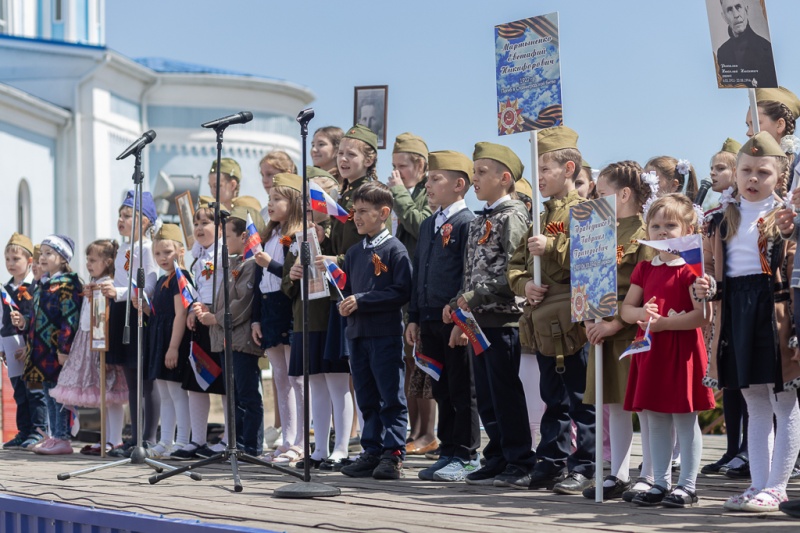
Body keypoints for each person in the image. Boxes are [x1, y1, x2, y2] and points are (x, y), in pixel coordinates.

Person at [698, 132, 800, 512]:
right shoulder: (720, 219)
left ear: (779, 177)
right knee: (754, 402)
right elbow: (713, 271)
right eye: (746, 171)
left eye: (763, 172)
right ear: (736, 173)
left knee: (783, 400)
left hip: (774, 311)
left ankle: (778, 486)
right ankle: (759, 483)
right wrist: (707, 285)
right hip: (736, 310)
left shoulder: (786, 217)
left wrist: (791, 231)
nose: (753, 178)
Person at [508, 126, 595, 494]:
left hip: (576, 317)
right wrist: (524, 285)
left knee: (581, 397)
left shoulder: (587, 211)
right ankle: (551, 462)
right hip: (543, 319)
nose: (539, 177)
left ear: (569, 168)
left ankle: (586, 464)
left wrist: (553, 246)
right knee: (551, 396)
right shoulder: (538, 217)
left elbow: (593, 260)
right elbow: (516, 264)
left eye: (545, 169)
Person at [621, 194, 714, 508]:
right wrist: (642, 314)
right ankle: (660, 482)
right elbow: (626, 310)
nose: (662, 232)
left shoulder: (691, 271)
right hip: (651, 351)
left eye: (670, 225)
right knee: (656, 417)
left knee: (685, 419)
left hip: (681, 350)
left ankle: (687, 485)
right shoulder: (645, 268)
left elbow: (702, 317)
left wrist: (664, 325)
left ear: (688, 229)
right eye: (656, 226)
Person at [450, 141, 534, 487]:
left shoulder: (512, 216)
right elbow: (470, 272)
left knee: (504, 393)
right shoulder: (481, 219)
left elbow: (518, 272)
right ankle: (497, 455)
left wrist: (473, 296)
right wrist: (459, 303)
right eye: (474, 172)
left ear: (505, 178)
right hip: (478, 321)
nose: (475, 179)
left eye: (482, 172)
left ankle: (519, 459)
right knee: (486, 394)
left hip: (503, 319)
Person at [581, 162, 656, 500]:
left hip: (630, 331)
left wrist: (616, 323)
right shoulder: (598, 229)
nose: (595, 199)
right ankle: (618, 473)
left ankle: (650, 473)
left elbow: (649, 288)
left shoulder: (645, 233)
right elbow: (586, 276)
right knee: (614, 403)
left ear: (624, 194)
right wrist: (587, 319)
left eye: (602, 193)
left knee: (643, 405)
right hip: (600, 328)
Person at [407, 150, 481, 482]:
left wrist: (464, 321)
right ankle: (449, 451)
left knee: (463, 388)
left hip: (455, 321)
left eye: (436, 179)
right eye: (428, 179)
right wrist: (414, 316)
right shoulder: (428, 224)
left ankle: (467, 455)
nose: (429, 185)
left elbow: (469, 274)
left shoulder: (468, 223)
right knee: (442, 390)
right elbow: (419, 273)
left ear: (458, 184)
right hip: (429, 319)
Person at [337, 181, 412, 480]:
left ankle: (393, 454)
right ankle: (372, 449)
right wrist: (345, 303)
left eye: (363, 211)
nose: (356, 217)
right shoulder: (354, 252)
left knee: (390, 395)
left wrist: (363, 300)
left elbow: (402, 290)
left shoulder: (395, 249)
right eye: (354, 211)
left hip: (385, 333)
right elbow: (349, 290)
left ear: (383, 213)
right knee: (366, 395)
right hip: (357, 333)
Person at [281, 171, 353, 470]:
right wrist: (293, 272)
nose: (312, 202)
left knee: (337, 382)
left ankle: (342, 448)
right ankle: (320, 448)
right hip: (305, 317)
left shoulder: (342, 228)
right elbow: (286, 285)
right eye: (309, 196)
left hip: (331, 314)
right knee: (316, 385)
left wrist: (329, 250)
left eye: (320, 194)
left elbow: (351, 262)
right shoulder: (298, 236)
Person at [699, 137, 751, 478]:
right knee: (729, 379)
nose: (714, 173)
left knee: (750, 379)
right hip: (721, 302)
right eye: (711, 168)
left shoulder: (747, 212)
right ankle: (733, 448)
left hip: (746, 299)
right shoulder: (712, 216)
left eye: (720, 167)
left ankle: (749, 449)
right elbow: (707, 258)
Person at [196, 206, 266, 456]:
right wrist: (210, 309)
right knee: (234, 395)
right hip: (227, 339)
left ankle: (251, 446)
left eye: (227, 236)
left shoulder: (251, 265)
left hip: (241, 339)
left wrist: (215, 317)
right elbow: (226, 299)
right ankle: (236, 444)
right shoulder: (234, 263)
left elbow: (242, 303)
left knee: (247, 394)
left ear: (244, 236)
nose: (223, 242)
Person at [50, 239, 129, 455]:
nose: (88, 264)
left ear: (108, 262)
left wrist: (106, 349)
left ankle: (115, 439)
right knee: (102, 394)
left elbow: (108, 318)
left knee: (112, 394)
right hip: (88, 339)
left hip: (102, 341)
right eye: (87, 260)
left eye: (93, 260)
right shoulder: (94, 284)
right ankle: (105, 438)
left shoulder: (109, 285)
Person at [11, 235, 83, 455]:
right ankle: (54, 436)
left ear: (63, 258)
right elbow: (37, 317)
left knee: (59, 394)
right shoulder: (43, 284)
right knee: (48, 391)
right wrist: (25, 323)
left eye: (48, 253)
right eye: (41, 253)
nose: (42, 258)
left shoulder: (68, 284)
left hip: (56, 350)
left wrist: (64, 348)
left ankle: (63, 438)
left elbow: (69, 319)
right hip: (41, 351)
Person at [388, 132, 436, 456]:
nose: (396, 173)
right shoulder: (401, 193)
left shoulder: (424, 193)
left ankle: (427, 432)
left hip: (422, 288)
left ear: (420, 165)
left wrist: (400, 195)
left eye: (402, 166)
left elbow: (422, 225)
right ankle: (415, 430)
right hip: (404, 287)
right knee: (409, 362)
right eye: (394, 166)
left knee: (423, 362)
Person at [103, 191, 160, 458]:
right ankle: (135, 437)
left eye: (127, 216)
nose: (121, 220)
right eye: (120, 215)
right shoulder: (124, 248)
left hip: (138, 313)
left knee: (145, 381)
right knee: (132, 381)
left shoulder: (147, 249)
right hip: (121, 312)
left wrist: (120, 292)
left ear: (144, 221)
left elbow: (149, 285)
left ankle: (148, 438)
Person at [253, 173, 305, 464]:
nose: (270, 204)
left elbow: (292, 276)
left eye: (277, 199)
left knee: (297, 378)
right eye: (269, 199)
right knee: (280, 378)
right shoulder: (269, 236)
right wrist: (255, 319)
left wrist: (269, 263)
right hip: (269, 309)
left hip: (288, 308)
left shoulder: (293, 237)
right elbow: (259, 283)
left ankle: (300, 441)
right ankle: (287, 439)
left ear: (293, 202)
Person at [171, 199, 228, 460]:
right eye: (196, 223)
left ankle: (228, 439)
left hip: (218, 321)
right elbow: (196, 288)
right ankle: (198, 439)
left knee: (225, 384)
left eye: (205, 223)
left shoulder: (224, 254)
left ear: (219, 227)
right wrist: (194, 310)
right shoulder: (197, 257)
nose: (199, 228)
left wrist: (210, 312)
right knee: (196, 382)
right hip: (201, 321)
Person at [145, 224, 192, 459]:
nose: (162, 258)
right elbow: (157, 313)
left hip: (172, 340)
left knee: (176, 392)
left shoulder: (180, 278)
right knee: (164, 393)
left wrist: (173, 347)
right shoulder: (163, 279)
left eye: (167, 252)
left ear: (180, 251)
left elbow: (180, 313)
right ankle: (165, 440)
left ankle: (182, 440)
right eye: (158, 253)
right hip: (159, 339)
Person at [1, 233, 46, 451]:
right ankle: (24, 430)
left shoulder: (35, 286)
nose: (11, 263)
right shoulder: (5, 289)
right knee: (19, 390)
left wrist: (29, 346)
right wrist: (2, 348)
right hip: (11, 343)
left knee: (34, 390)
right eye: (7, 259)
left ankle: (39, 430)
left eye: (16, 259)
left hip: (32, 345)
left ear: (29, 261)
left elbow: (39, 318)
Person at [716, 0, 777, 88]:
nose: (736, 15)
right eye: (729, 10)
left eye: (738, 7)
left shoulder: (767, 48)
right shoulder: (722, 52)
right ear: (724, 17)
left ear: (746, 10)